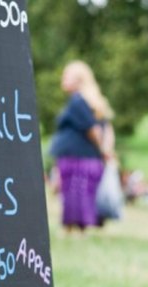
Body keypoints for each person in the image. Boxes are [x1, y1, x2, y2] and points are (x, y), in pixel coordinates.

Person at [49, 60, 114, 233]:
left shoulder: (78, 101)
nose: (63, 79)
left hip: (77, 157)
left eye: (66, 76)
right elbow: (106, 128)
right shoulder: (92, 102)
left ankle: (72, 230)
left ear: (78, 80)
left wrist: (103, 150)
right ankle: (77, 229)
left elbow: (93, 130)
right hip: (88, 157)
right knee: (82, 195)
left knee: (74, 195)